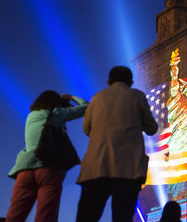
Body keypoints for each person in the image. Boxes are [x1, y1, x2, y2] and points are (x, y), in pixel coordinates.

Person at [75, 66, 158, 222]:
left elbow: (87, 129)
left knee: (87, 216)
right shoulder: (137, 96)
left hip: (96, 166)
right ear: (131, 82)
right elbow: (152, 129)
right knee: (123, 217)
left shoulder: (97, 98)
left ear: (108, 81)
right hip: (128, 169)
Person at [6, 91, 88, 222]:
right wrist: (71, 97)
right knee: (46, 216)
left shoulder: (31, 116)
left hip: (25, 169)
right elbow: (86, 108)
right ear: (56, 103)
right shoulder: (56, 114)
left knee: (14, 216)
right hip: (49, 170)